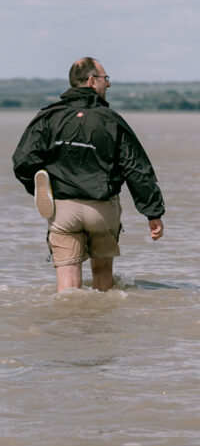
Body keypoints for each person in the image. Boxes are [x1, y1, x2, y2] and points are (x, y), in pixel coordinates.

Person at [12, 57, 165, 292]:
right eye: (106, 79)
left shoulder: (48, 117)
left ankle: (69, 325)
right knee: (103, 273)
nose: (109, 84)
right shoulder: (111, 120)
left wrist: (42, 189)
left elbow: (23, 161)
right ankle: (100, 325)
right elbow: (136, 169)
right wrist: (152, 212)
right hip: (102, 209)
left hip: (62, 208)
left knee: (67, 283)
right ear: (92, 81)